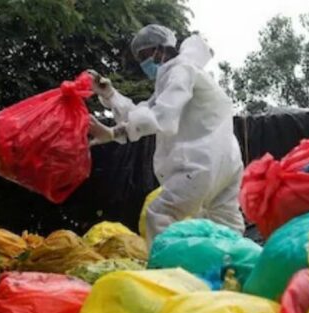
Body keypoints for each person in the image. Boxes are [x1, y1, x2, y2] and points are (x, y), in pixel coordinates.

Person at [88, 24, 245, 245]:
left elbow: (161, 118)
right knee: (227, 227)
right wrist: (110, 95)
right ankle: (239, 263)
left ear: (160, 49)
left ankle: (167, 266)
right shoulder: (187, 71)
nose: (143, 63)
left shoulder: (180, 70)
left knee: (160, 215)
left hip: (200, 164)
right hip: (228, 164)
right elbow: (146, 111)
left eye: (144, 55)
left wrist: (115, 132)